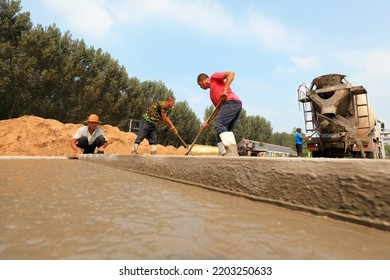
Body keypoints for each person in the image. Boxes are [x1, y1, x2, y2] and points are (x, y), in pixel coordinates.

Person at [197, 71, 242, 156]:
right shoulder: (211, 95)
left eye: (200, 85)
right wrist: (207, 120)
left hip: (231, 102)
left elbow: (231, 73)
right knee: (221, 131)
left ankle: (232, 152)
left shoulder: (214, 77)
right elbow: (217, 109)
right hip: (228, 105)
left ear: (203, 80)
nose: (200, 87)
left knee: (220, 124)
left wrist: (225, 89)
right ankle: (222, 154)